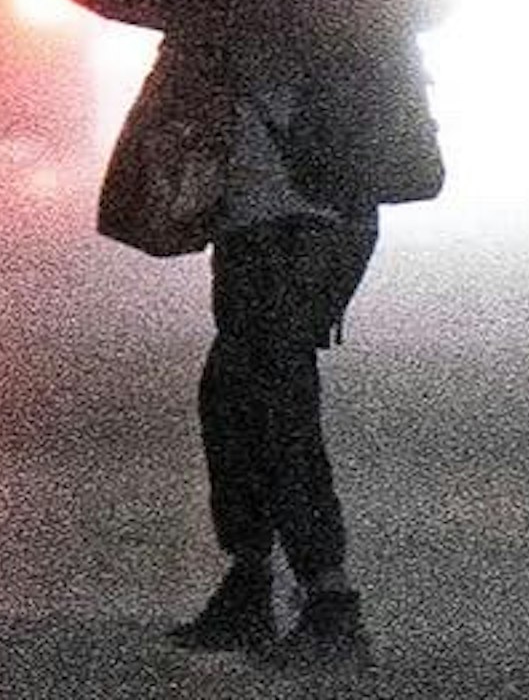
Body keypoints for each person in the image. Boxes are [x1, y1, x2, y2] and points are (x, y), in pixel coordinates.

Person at [171, 39, 413, 669]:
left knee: (279, 397)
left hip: (312, 225)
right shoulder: (227, 11)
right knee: (229, 395)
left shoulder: (345, 12)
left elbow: (375, 128)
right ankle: (250, 579)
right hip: (249, 224)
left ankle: (328, 599)